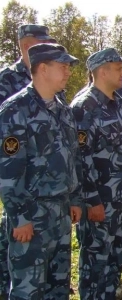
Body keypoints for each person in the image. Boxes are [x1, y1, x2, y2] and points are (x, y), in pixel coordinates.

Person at [0, 43, 82, 299]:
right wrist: (20, 216)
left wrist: (75, 198)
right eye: (63, 66)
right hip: (31, 216)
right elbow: (8, 170)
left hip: (60, 212)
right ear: (43, 69)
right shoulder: (15, 111)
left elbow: (72, 158)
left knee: (58, 286)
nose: (68, 72)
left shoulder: (63, 111)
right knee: (29, 289)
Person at [70, 48, 122, 300]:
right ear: (102, 71)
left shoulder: (119, 104)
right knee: (95, 262)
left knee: (116, 258)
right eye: (118, 68)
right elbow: (80, 158)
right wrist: (92, 200)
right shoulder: (84, 107)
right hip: (100, 203)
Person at [0, 23, 56, 297]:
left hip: (46, 182)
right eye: (40, 42)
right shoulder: (6, 80)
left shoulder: (51, 77)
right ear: (25, 45)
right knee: (14, 236)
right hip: (15, 173)